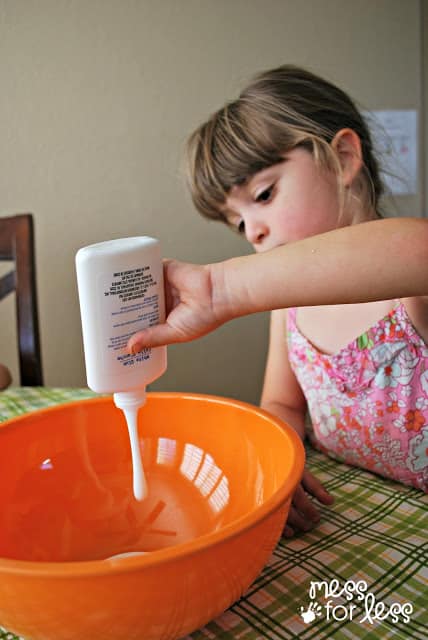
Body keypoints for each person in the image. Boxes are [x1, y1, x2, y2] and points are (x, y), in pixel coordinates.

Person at [128, 65, 428, 536]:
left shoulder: (408, 287)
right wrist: (278, 465)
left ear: (344, 157)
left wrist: (220, 289)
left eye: (263, 195)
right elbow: (281, 404)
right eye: (238, 223)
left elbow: (417, 250)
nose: (254, 232)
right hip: (353, 513)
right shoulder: (289, 306)